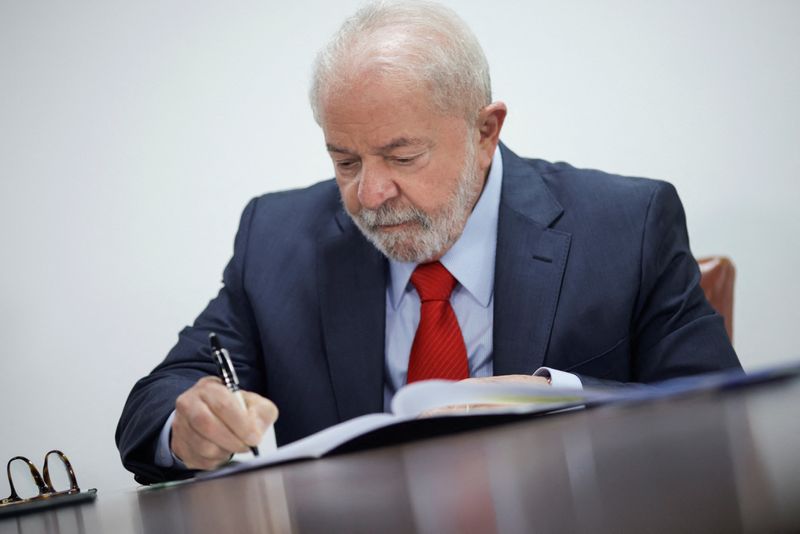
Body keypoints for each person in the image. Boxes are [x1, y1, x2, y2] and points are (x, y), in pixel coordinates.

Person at [116, 0, 741, 484]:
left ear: (485, 131)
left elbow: (720, 419)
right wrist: (189, 424)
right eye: (345, 160)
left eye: (402, 155)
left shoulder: (626, 224)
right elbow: (158, 400)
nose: (370, 193)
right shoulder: (279, 239)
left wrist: (560, 399)